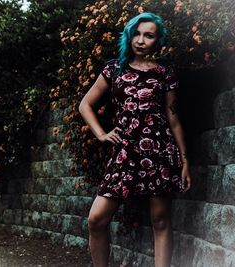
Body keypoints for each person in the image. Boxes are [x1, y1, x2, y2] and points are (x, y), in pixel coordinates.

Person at [78, 12, 192, 267]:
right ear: (130, 36)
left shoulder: (165, 73)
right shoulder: (114, 68)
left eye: (148, 35)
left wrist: (185, 161)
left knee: (160, 220)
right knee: (96, 219)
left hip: (159, 151)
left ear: (157, 40)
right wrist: (102, 134)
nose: (140, 40)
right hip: (124, 152)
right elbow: (85, 105)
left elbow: (173, 118)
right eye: (136, 34)